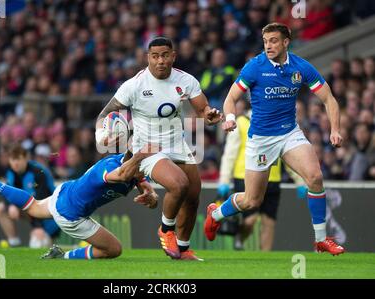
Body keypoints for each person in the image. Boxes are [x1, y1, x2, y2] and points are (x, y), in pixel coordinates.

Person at [205, 23, 345, 255]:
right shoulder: (255, 67)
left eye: (273, 41)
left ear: (285, 42)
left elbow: (329, 99)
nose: (268, 46)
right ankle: (216, 213)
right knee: (252, 201)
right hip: (261, 139)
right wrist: (229, 118)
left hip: (289, 133)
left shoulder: (301, 67)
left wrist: (335, 130)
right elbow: (230, 98)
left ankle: (321, 240)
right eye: (266, 41)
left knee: (315, 177)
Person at [95, 37, 222, 261]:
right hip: (148, 148)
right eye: (155, 56)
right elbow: (105, 113)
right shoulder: (134, 85)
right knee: (179, 184)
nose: (160, 61)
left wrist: (210, 116)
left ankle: (182, 249)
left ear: (173, 56)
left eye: (165, 55)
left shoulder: (185, 80)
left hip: (176, 143)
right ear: (148, 58)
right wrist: (103, 134)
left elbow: (203, 109)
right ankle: (165, 229)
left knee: (193, 195)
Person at [0, 144, 159, 259]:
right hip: (72, 214)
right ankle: (64, 257)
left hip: (66, 192)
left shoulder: (132, 169)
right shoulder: (110, 168)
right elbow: (122, 174)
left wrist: (151, 193)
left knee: (33, 207)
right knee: (114, 249)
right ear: (136, 160)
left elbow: (135, 177)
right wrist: (145, 155)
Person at [218, 107, 304, 251]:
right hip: (245, 177)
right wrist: (224, 180)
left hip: (273, 179)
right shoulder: (240, 122)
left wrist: (300, 181)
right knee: (250, 220)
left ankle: (266, 256)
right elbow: (229, 154)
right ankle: (240, 236)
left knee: (269, 222)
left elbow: (287, 154)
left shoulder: (279, 123)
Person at [0, 144, 60, 248]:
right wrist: (11, 206)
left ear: (26, 158)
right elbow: (7, 194)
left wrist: (38, 227)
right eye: (12, 159)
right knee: (0, 208)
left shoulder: (38, 172)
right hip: (29, 211)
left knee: (38, 245)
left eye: (19, 159)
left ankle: (45, 236)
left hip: (49, 214)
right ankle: (14, 243)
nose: (15, 163)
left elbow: (41, 201)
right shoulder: (10, 172)